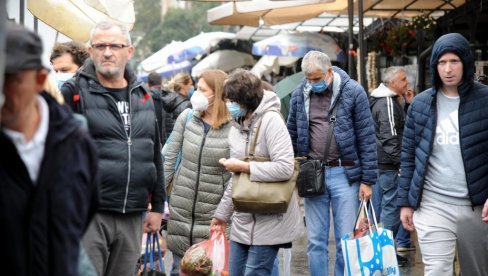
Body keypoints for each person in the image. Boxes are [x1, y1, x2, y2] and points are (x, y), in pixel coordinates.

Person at [61, 20, 165, 276]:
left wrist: (159, 206)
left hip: (133, 213)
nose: (108, 52)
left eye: (115, 46)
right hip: (88, 215)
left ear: (128, 51)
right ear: (91, 51)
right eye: (101, 46)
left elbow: (154, 154)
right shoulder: (73, 92)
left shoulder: (145, 96)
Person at [0, 22, 99, 276]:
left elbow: (78, 221)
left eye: (11, 80)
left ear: (39, 80)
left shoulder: (74, 140)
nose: (3, 92)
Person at [398, 33, 488, 276]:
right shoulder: (420, 104)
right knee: (437, 270)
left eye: (454, 61)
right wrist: (406, 202)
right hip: (432, 205)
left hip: (477, 208)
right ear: (434, 65)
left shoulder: (485, 100)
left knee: (476, 271)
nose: (448, 69)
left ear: (466, 63)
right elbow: (408, 156)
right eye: (441, 62)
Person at [286, 51, 377, 276]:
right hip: (312, 173)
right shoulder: (300, 93)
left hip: (345, 174)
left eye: (316, 79)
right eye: (308, 79)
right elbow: (292, 132)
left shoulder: (354, 91)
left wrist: (368, 180)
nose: (312, 83)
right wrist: (293, 173)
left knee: (346, 239)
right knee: (315, 240)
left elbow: (367, 137)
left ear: (329, 72)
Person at [211, 69, 304, 276]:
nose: (228, 104)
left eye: (232, 99)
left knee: (255, 272)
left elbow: (285, 167)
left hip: (270, 215)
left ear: (246, 100)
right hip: (243, 216)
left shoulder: (272, 121)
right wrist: (221, 215)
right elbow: (236, 179)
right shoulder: (236, 128)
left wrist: (245, 167)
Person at [164, 69, 232, 276]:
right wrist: (157, 200)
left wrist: (225, 213)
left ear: (217, 94)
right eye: (196, 88)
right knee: (178, 269)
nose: (196, 93)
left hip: (213, 218)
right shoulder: (187, 118)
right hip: (181, 213)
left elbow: (235, 177)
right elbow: (168, 159)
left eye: (202, 89)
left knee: (210, 271)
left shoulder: (234, 126)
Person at [369, 66, 408, 266]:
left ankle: (384, 252)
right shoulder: (387, 103)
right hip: (388, 166)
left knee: (381, 210)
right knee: (390, 211)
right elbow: (391, 137)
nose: (406, 83)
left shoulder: (380, 100)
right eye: (403, 79)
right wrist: (401, 163)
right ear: (391, 82)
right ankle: (385, 254)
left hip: (381, 164)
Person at [160, 72, 192, 139]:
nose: (191, 87)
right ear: (183, 86)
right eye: (190, 84)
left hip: (168, 143)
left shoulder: (167, 100)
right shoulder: (187, 104)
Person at [146, 72, 165, 142]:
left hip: (151, 141)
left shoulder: (143, 99)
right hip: (167, 142)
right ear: (161, 83)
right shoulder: (170, 97)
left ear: (148, 84)